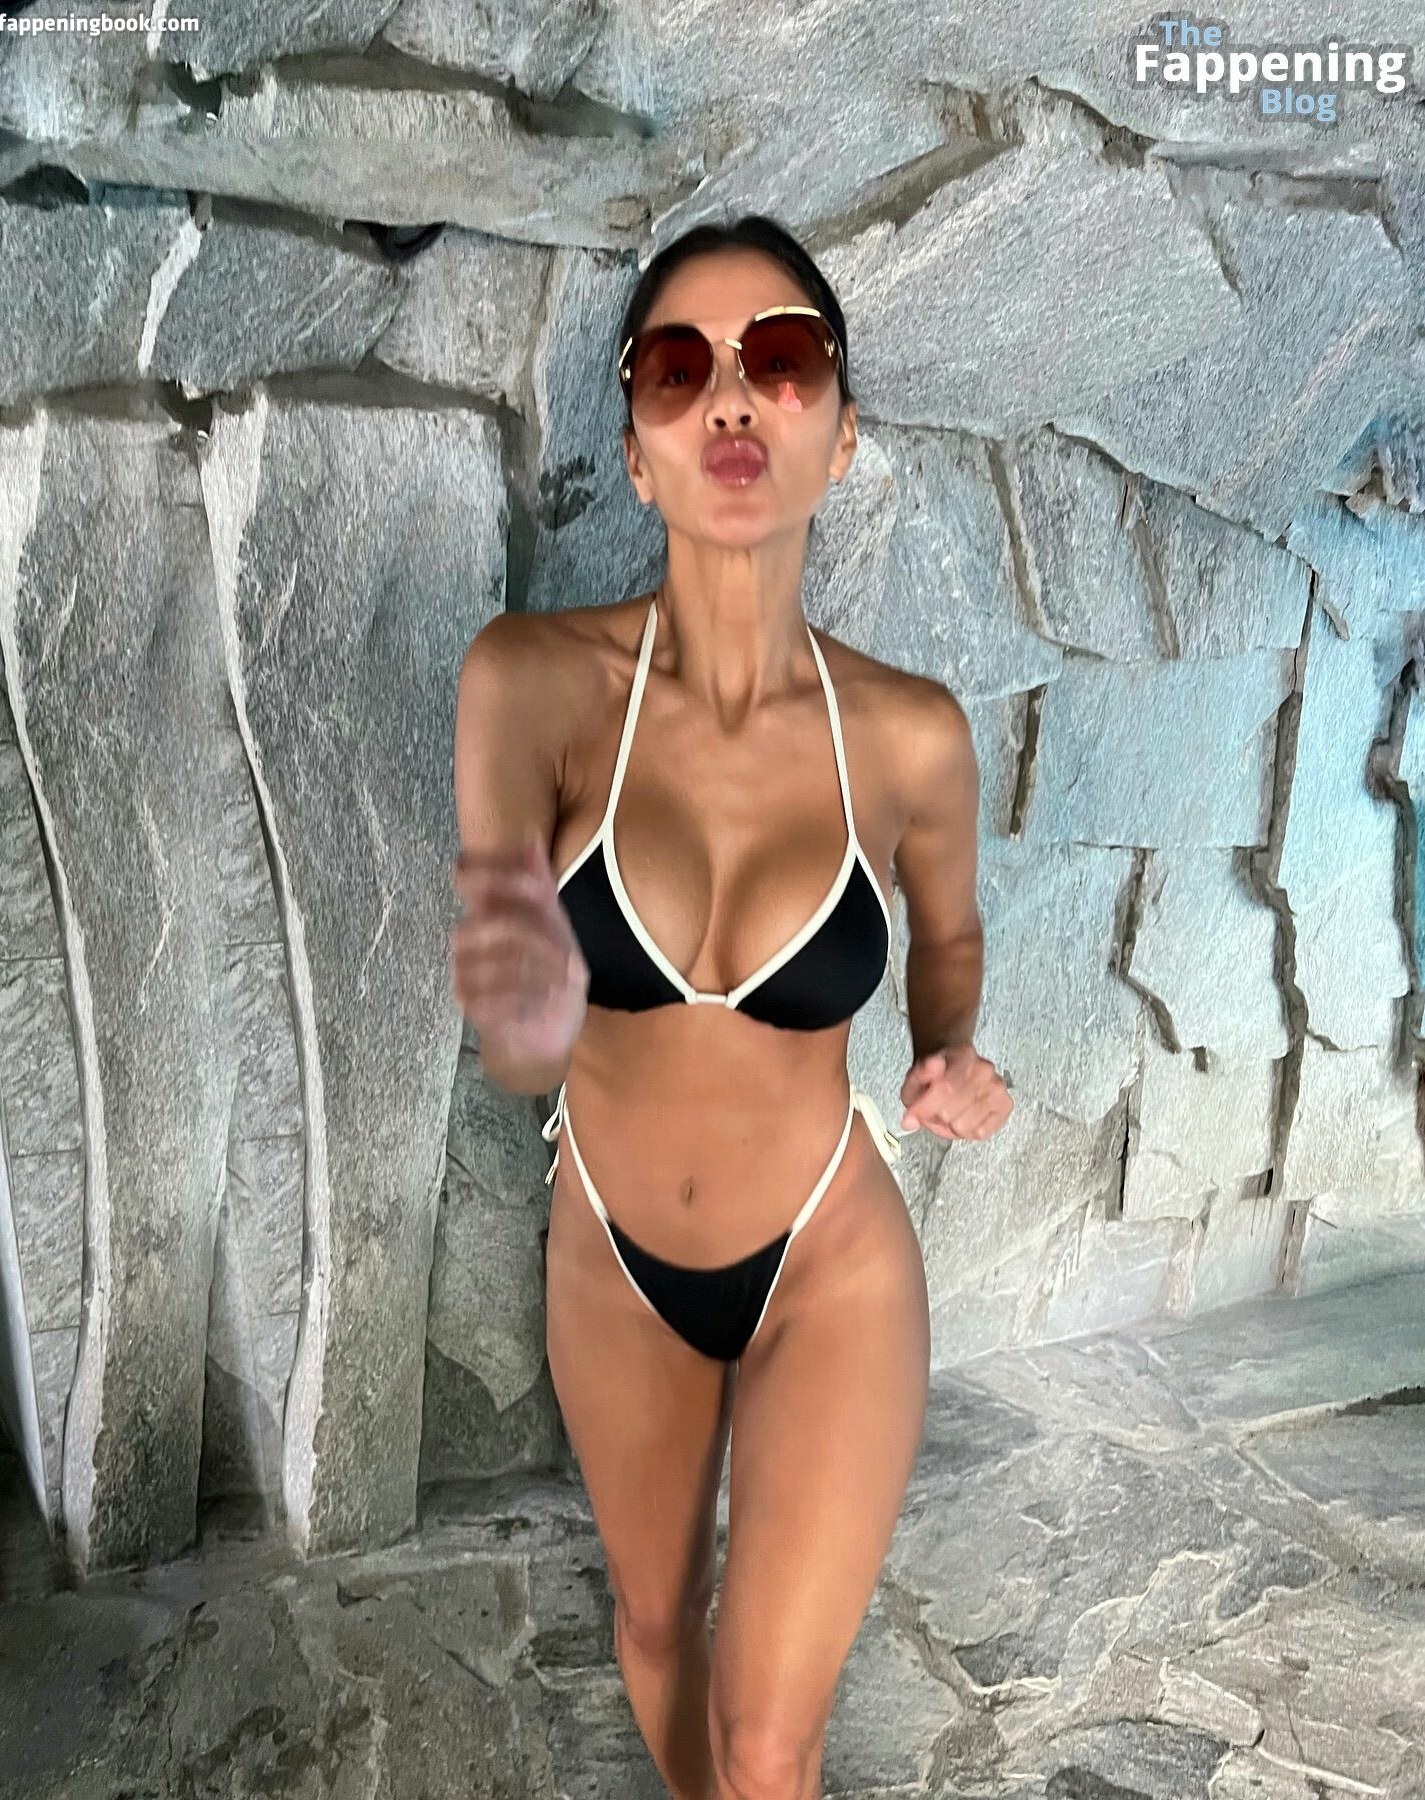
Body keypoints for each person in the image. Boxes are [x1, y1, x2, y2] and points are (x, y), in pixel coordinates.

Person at [451, 214, 1012, 1800]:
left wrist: (949, 1049)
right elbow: (515, 1034)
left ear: (841, 433)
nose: (733, 398)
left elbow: (949, 938)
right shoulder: (530, 685)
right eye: (677, 369)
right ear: (638, 457)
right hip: (613, 1260)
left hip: (828, 1253)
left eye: (782, 358)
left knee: (769, 1741)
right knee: (654, 1626)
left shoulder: (910, 735)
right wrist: (521, 1015)